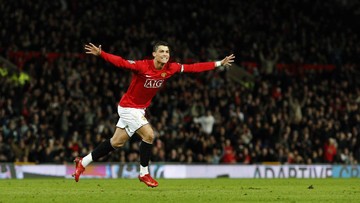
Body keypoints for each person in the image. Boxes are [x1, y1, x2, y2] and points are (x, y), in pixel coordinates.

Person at [73, 41, 235, 187]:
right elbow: (121, 62)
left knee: (116, 143)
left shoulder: (170, 68)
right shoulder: (142, 66)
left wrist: (219, 63)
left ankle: (83, 162)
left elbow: (193, 67)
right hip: (128, 107)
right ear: (154, 54)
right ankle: (144, 173)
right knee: (149, 135)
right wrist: (102, 54)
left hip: (139, 109)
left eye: (167, 52)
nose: (165, 54)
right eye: (162, 51)